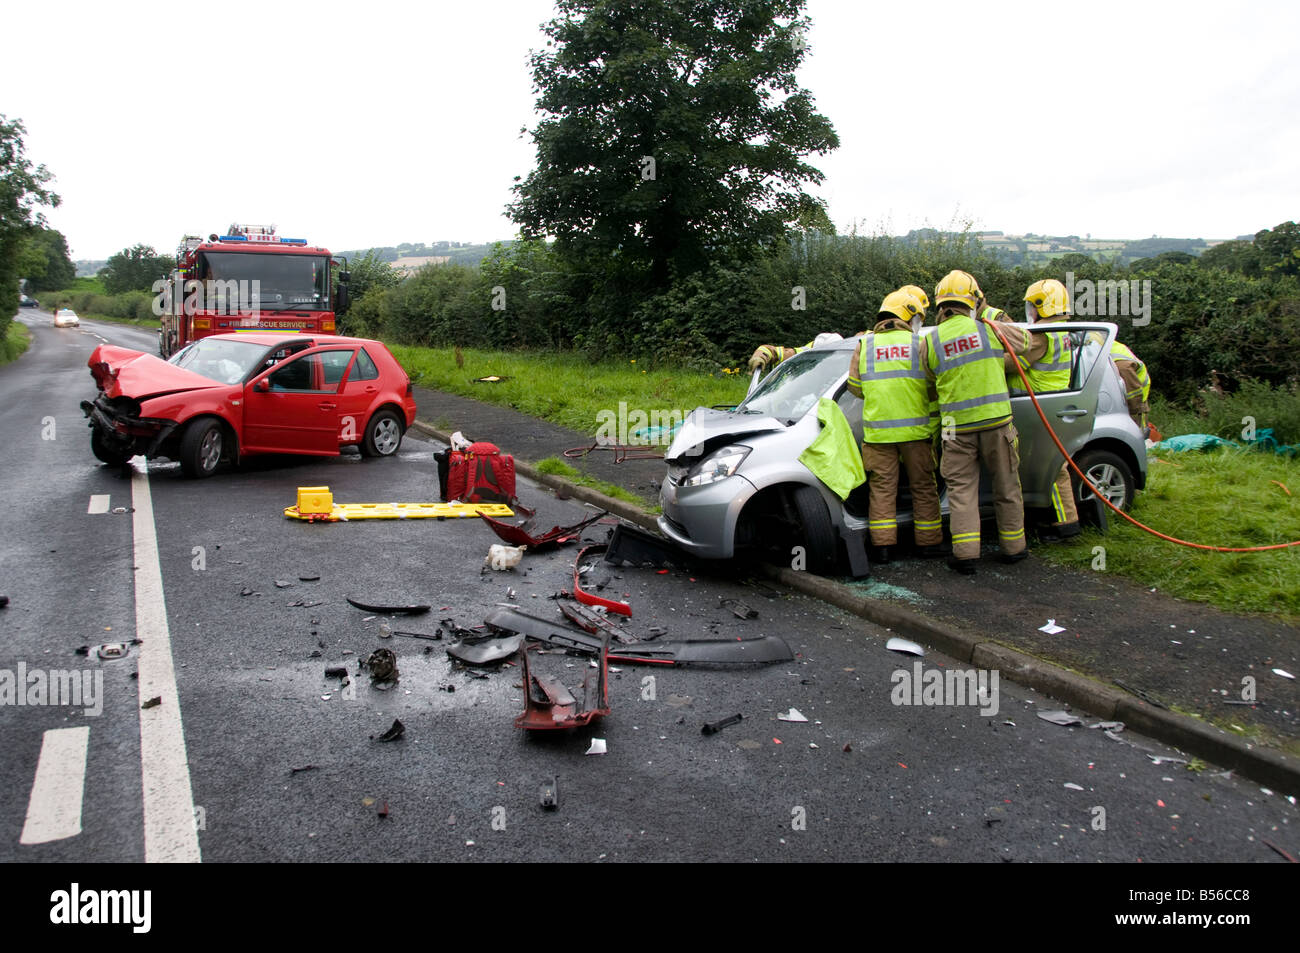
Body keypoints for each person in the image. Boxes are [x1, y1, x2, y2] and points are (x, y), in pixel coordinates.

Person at [923, 270, 1032, 574]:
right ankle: (1014, 549)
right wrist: (987, 315)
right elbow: (1025, 342)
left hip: (955, 428)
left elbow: (930, 380)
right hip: (997, 423)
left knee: (961, 492)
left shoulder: (931, 342)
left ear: (939, 305)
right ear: (973, 300)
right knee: (1007, 486)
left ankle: (966, 555)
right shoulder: (989, 329)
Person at [847, 288, 945, 562]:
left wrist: (881, 393)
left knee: (882, 490)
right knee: (924, 487)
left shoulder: (865, 345)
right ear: (909, 316)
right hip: (916, 434)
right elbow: (934, 386)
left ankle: (883, 548)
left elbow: (855, 387)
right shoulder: (920, 344)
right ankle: (928, 544)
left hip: (878, 434)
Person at [1016, 278, 1080, 542]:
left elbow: (1012, 365)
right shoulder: (1063, 331)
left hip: (1042, 405)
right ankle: (1060, 520)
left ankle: (1066, 525)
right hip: (1052, 403)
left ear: (1043, 306)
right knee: (1052, 468)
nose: (1029, 311)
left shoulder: (1041, 337)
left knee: (1052, 470)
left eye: (1032, 305)